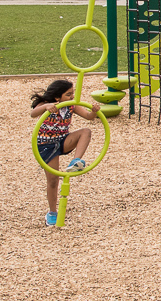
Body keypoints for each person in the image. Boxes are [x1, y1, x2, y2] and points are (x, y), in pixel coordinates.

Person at [28, 79, 100, 226]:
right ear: (57, 98)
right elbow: (33, 114)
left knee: (85, 132)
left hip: (62, 140)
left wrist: (94, 112)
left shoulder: (71, 106)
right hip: (46, 145)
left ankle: (76, 161)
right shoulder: (48, 105)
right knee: (53, 180)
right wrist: (47, 106)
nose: (72, 97)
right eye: (68, 95)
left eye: (72, 93)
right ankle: (52, 212)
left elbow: (88, 117)